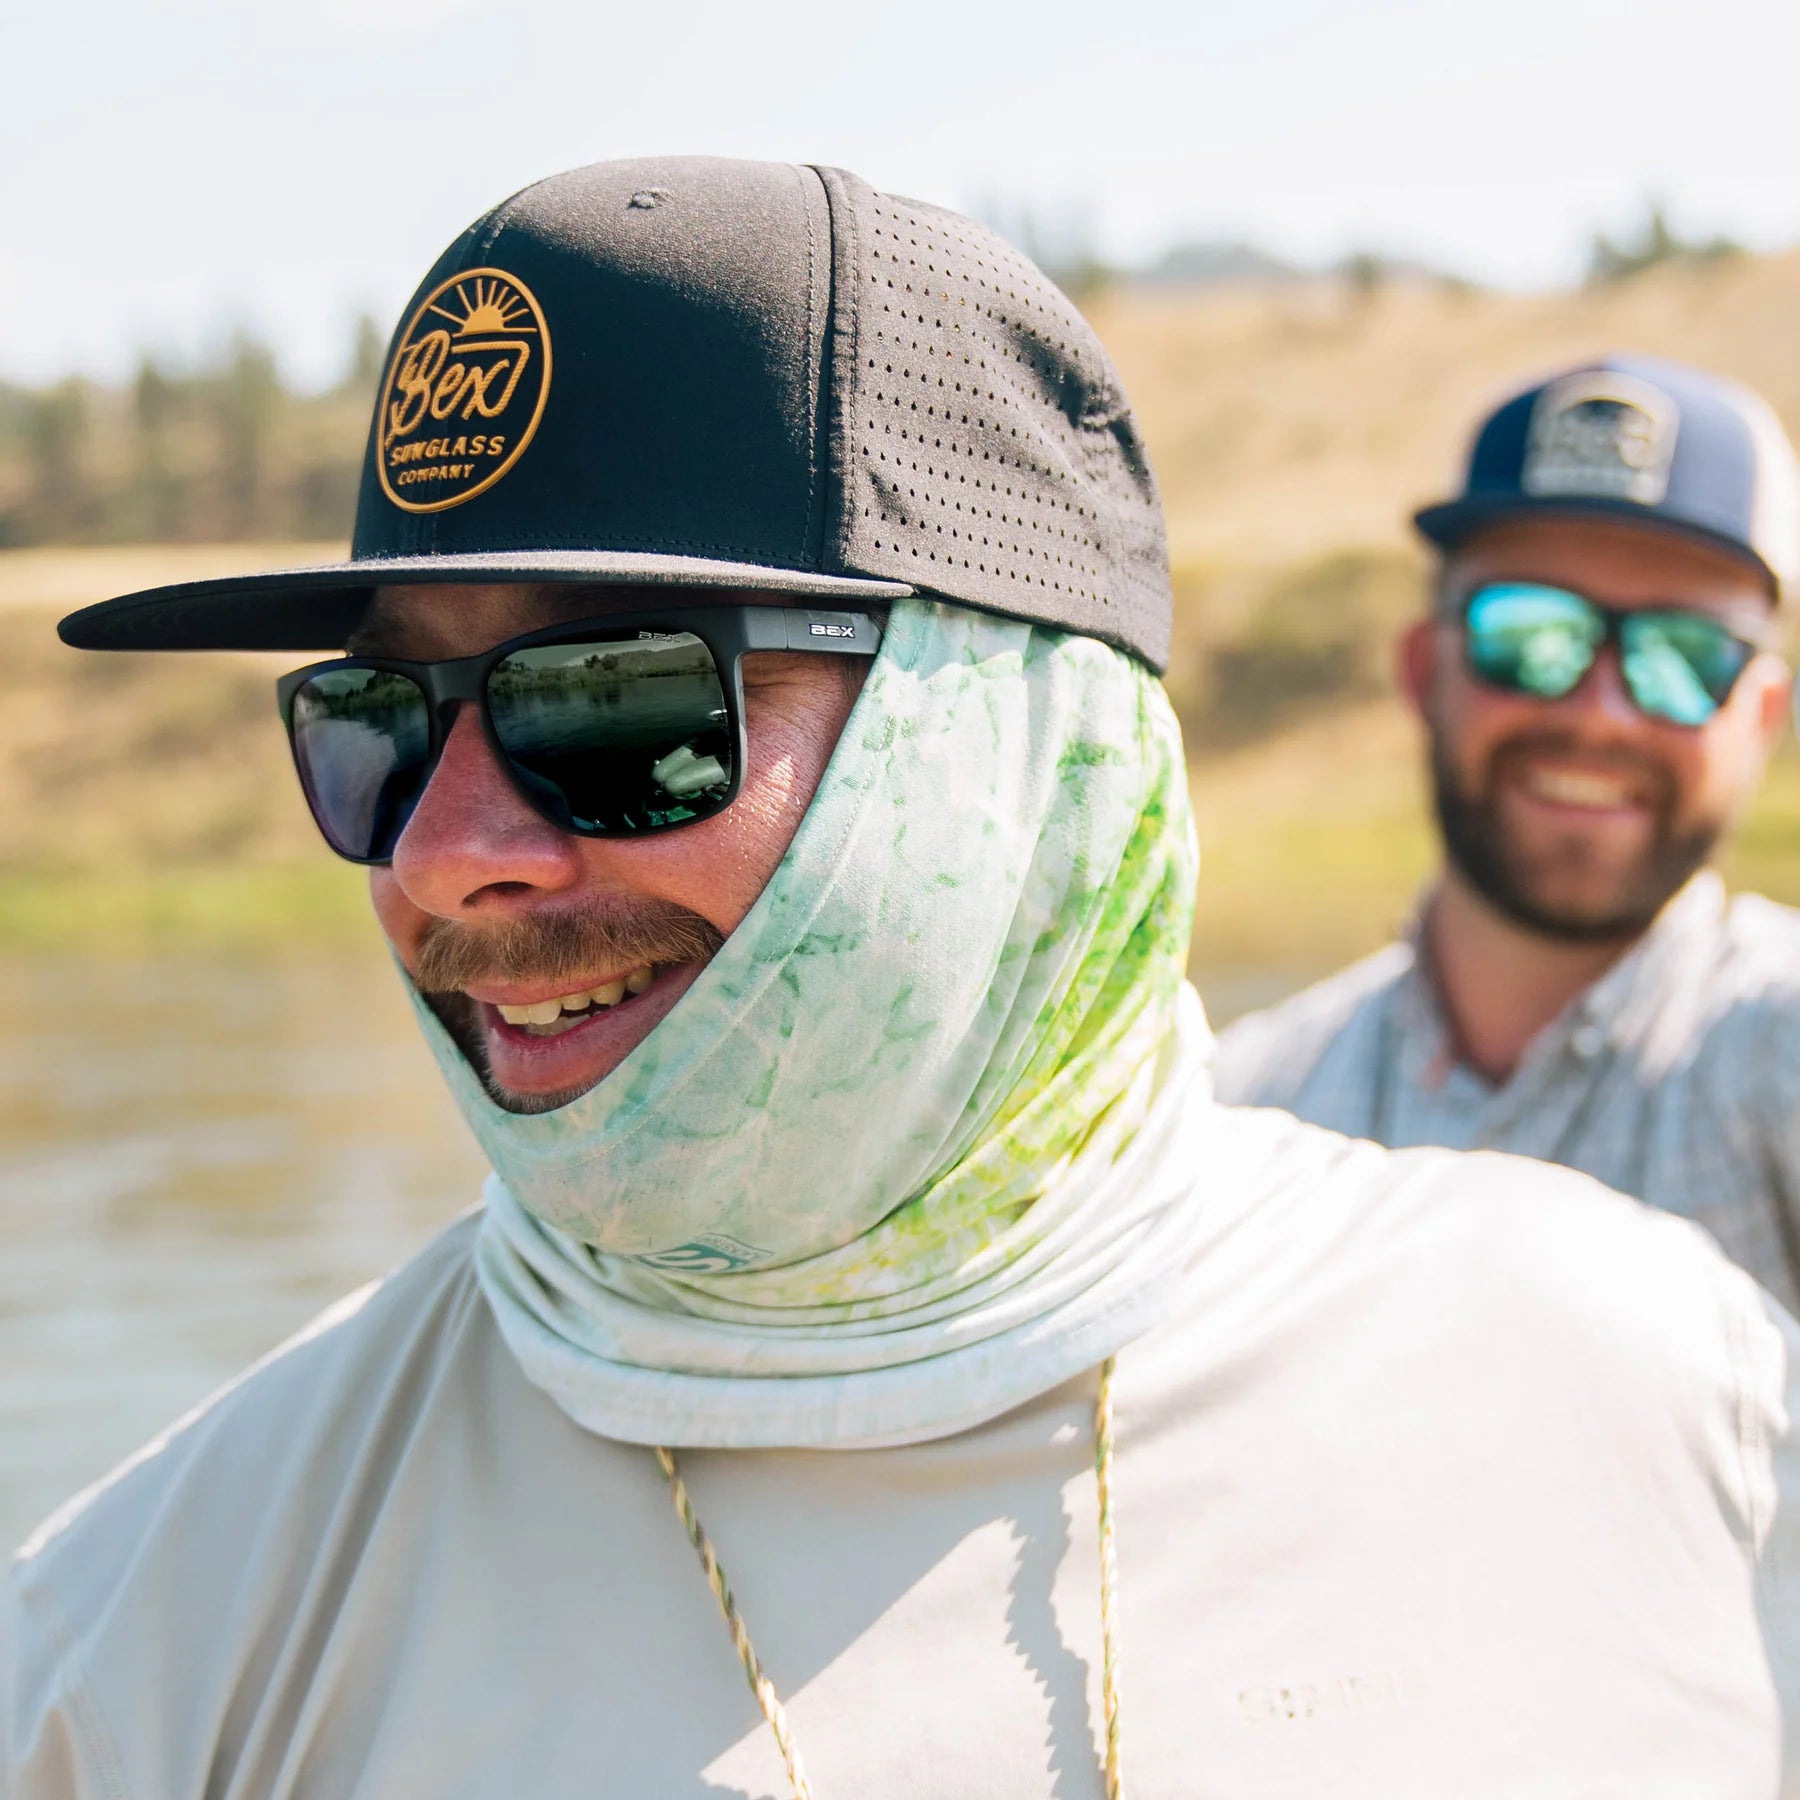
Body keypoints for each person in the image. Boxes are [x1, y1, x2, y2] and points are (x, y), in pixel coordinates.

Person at [5, 160, 1798, 1799]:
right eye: (377, 722)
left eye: (616, 699)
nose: (441, 853)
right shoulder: (148, 1637)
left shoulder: (1657, 1389)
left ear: (1018, 737)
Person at [1215, 354, 1800, 1309]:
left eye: (1685, 655)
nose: (1601, 712)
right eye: (1529, 634)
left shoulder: (1779, 1050)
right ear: (1422, 670)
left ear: (1762, 718)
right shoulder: (1244, 1108)